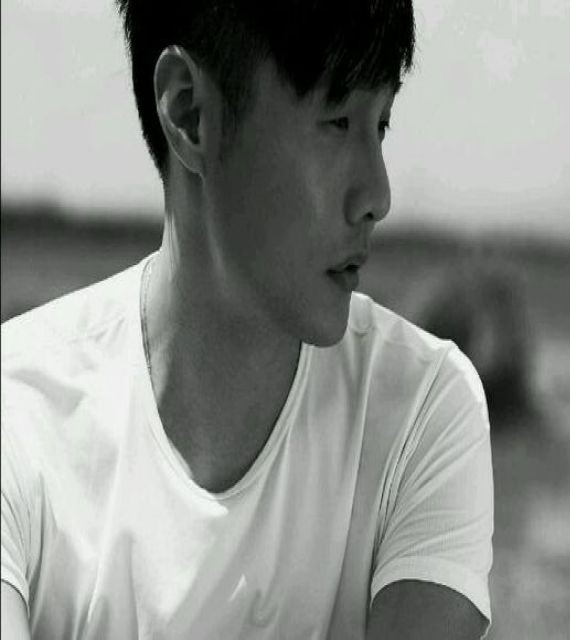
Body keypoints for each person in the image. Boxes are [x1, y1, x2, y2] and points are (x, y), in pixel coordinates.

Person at [1, 1, 494, 638]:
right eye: (338, 120)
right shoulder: (20, 413)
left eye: (382, 124)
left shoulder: (420, 410)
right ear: (189, 112)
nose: (377, 195)